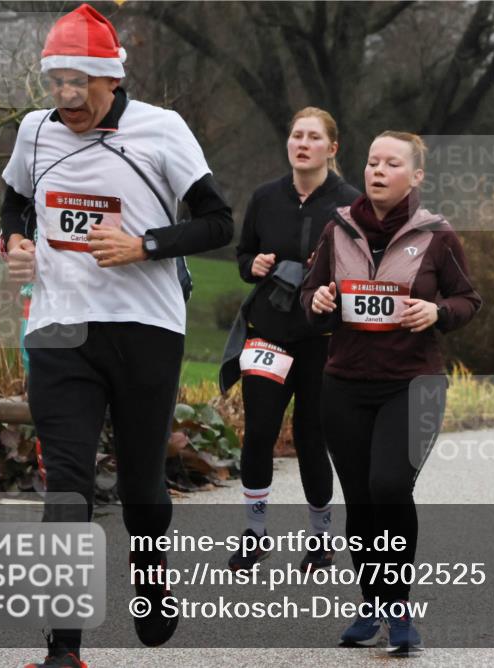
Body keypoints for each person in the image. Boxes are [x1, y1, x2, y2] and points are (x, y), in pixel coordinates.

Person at [1, 5, 233, 666]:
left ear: (111, 80)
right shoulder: (34, 132)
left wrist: (144, 245)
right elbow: (15, 200)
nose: (67, 98)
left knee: (140, 485)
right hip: (60, 327)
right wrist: (15, 240)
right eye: (57, 83)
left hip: (144, 328)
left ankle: (151, 575)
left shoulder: (163, 129)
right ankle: (63, 650)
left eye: (80, 84)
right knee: (67, 484)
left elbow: (219, 222)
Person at [301, 132, 481, 653]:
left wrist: (437, 312)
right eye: (372, 161)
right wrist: (318, 302)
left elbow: (469, 299)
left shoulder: (437, 235)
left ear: (416, 176)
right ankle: (372, 604)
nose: (378, 170)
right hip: (344, 384)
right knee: (360, 499)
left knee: (389, 485)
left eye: (392, 163)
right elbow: (309, 296)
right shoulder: (337, 229)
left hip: (412, 384)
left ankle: (398, 607)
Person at [219, 107, 359, 571]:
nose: (302, 144)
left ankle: (320, 538)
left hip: (322, 337)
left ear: (331, 148)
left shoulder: (350, 204)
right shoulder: (265, 197)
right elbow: (243, 255)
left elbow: (364, 272)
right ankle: (254, 533)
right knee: (259, 430)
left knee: (310, 437)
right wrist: (253, 265)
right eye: (297, 135)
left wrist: (334, 288)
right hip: (269, 331)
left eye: (313, 137)